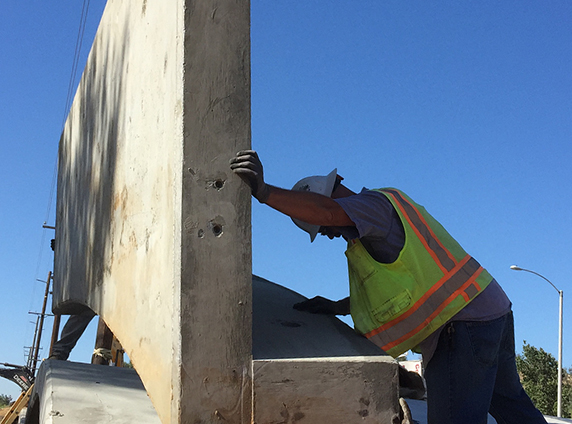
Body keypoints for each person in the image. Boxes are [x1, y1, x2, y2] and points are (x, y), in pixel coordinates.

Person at [230, 150, 546, 424]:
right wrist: (339, 306)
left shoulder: (371, 205)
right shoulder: (379, 218)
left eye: (324, 229)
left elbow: (329, 212)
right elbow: (403, 289)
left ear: (327, 196)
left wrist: (265, 191)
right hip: (488, 309)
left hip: (460, 324)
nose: (329, 234)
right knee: (511, 406)